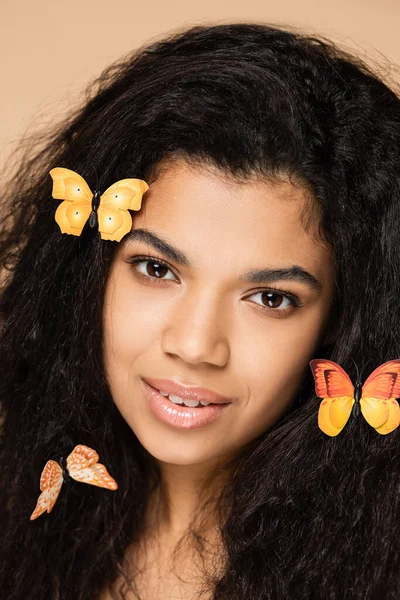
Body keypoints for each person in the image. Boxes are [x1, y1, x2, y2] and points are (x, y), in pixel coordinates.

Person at [0, 21, 399, 600]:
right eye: (157, 269)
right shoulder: (28, 506)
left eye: (270, 298)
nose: (193, 345)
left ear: (340, 319)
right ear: (90, 270)